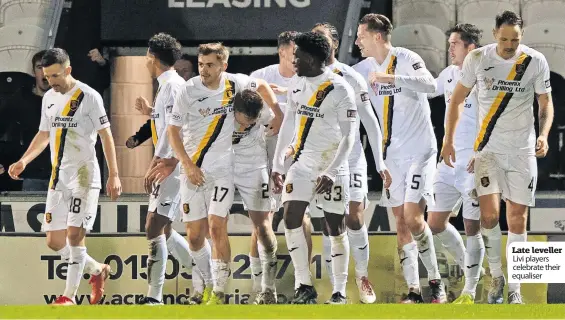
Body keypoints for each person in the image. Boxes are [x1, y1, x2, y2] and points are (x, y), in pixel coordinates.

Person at [441, 10, 554, 304]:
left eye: (514, 39)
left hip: (521, 151)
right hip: (487, 151)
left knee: (517, 218)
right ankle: (496, 277)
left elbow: (545, 103)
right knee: (489, 216)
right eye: (504, 39)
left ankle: (515, 289)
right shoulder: (477, 59)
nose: (509, 45)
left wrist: (543, 135)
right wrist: (448, 140)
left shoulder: (534, 61)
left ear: (522, 37)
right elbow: (456, 100)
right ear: (494, 35)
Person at [167, 42, 283, 305]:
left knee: (227, 226)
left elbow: (261, 87)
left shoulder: (238, 84)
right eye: (201, 64)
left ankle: (240, 290)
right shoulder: (188, 90)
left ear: (223, 66)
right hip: (194, 167)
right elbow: (172, 131)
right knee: (194, 234)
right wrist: (186, 164)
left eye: (210, 65)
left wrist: (277, 112)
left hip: (227, 168)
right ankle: (204, 287)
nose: (204, 70)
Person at [8, 48, 122, 305]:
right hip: (58, 178)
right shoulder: (49, 97)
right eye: (47, 77)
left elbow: (106, 136)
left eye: (55, 76)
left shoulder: (88, 97)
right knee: (54, 241)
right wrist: (23, 161)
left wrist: (113, 174)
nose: (51, 82)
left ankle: (68, 297)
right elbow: (44, 134)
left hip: (84, 177)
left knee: (74, 236)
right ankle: (97, 270)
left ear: (68, 70)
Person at [353, 13, 446, 303]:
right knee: (401, 223)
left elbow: (431, 87)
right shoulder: (362, 69)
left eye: (362, 36)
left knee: (414, 218)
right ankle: (414, 291)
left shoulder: (406, 57)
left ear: (377, 37)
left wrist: (390, 78)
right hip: (390, 156)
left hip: (420, 151)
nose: (357, 41)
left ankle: (436, 282)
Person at [271, 31, 357, 304]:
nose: (293, 59)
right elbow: (289, 124)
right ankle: (303, 286)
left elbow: (349, 136)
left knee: (335, 227)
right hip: (303, 164)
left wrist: (331, 171)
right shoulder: (297, 83)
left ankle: (339, 292)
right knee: (291, 216)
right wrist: (278, 163)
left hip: (331, 166)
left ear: (310, 57)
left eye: (297, 54)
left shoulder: (339, 88)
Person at [311, 22, 391, 304]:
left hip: (352, 158)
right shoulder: (307, 76)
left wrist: (379, 161)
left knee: (354, 219)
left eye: (321, 39)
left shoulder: (350, 75)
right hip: (321, 160)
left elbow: (370, 121)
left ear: (334, 44)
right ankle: (337, 289)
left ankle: (363, 275)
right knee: (330, 223)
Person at [132, 33, 195, 305]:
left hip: (172, 166)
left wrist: (159, 162)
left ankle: (154, 297)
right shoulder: (167, 86)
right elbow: (168, 121)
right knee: (164, 228)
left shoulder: (172, 86)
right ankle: (201, 274)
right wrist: (150, 112)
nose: (146, 60)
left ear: (153, 58)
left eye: (147, 55)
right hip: (171, 164)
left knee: (153, 226)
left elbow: (174, 129)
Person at [249, 30, 313, 295]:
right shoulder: (259, 78)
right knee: (264, 220)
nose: (298, 56)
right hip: (264, 158)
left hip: (300, 157)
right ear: (282, 52)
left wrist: (281, 111)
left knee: (302, 217)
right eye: (294, 51)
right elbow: (242, 115)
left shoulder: (310, 78)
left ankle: (303, 285)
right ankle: (261, 288)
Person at [426, 23, 485, 304]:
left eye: (455, 44)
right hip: (448, 162)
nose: (449, 48)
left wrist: (482, 152)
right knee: (434, 223)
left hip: (474, 163)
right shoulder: (448, 74)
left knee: (473, 227)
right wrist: (395, 80)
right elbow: (427, 89)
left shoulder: (486, 76)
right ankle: (472, 267)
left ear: (470, 48)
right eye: (449, 43)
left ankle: (470, 290)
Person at [232, 90, 279, 304]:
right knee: (210, 225)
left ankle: (266, 289)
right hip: (223, 168)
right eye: (243, 121)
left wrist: (275, 171)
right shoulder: (219, 108)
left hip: (254, 168)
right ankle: (210, 288)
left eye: (252, 122)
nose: (246, 126)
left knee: (262, 226)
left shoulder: (267, 114)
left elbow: (276, 140)